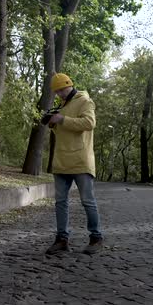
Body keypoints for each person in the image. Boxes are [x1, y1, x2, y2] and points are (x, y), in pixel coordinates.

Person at [44, 72, 103, 255]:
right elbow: (65, 133)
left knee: (87, 201)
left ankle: (96, 238)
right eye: (57, 91)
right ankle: (62, 240)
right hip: (61, 160)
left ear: (70, 85)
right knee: (60, 202)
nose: (60, 94)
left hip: (80, 160)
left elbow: (89, 123)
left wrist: (62, 119)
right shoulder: (60, 106)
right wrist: (52, 123)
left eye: (62, 89)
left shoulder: (84, 101)